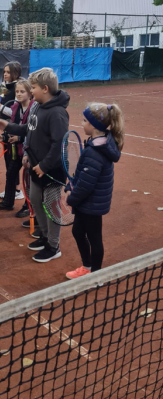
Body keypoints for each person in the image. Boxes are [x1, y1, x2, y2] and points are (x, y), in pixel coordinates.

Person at [0, 68, 70, 263]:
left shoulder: (57, 113)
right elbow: (27, 130)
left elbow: (59, 144)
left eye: (34, 88)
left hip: (52, 170)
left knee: (52, 207)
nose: (31, 91)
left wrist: (44, 166)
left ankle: (53, 246)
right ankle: (45, 236)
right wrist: (8, 127)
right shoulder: (37, 107)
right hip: (35, 166)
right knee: (36, 201)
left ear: (45, 89)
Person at [65, 103, 123, 279]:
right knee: (78, 232)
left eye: (84, 120)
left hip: (91, 203)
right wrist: (71, 185)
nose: (82, 123)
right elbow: (83, 174)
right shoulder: (99, 143)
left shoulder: (95, 151)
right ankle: (88, 267)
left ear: (94, 126)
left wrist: (71, 198)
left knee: (94, 237)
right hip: (90, 202)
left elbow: (86, 186)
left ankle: (95, 274)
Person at [0, 79, 34, 211]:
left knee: (29, 179)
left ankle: (28, 206)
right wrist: (4, 136)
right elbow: (12, 127)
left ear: (29, 93)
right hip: (17, 151)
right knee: (10, 174)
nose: (19, 94)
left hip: (30, 151)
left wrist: (19, 138)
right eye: (17, 92)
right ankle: (8, 202)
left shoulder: (34, 108)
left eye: (22, 91)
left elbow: (32, 131)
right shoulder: (15, 107)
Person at [0, 61, 24, 203]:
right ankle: (11, 189)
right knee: (8, 159)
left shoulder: (18, 88)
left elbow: (13, 112)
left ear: (16, 73)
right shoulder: (5, 86)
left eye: (8, 72)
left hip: (14, 128)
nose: (5, 74)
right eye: (4, 72)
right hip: (6, 128)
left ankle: (16, 190)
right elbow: (0, 104)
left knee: (12, 159)